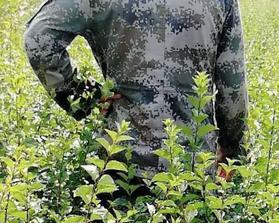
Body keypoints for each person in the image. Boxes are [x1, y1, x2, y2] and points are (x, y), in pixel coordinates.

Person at [24, 0, 248, 178]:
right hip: (192, 162)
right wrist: (231, 152)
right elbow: (233, 88)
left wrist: (85, 100)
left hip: (120, 158)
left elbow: (38, 39)